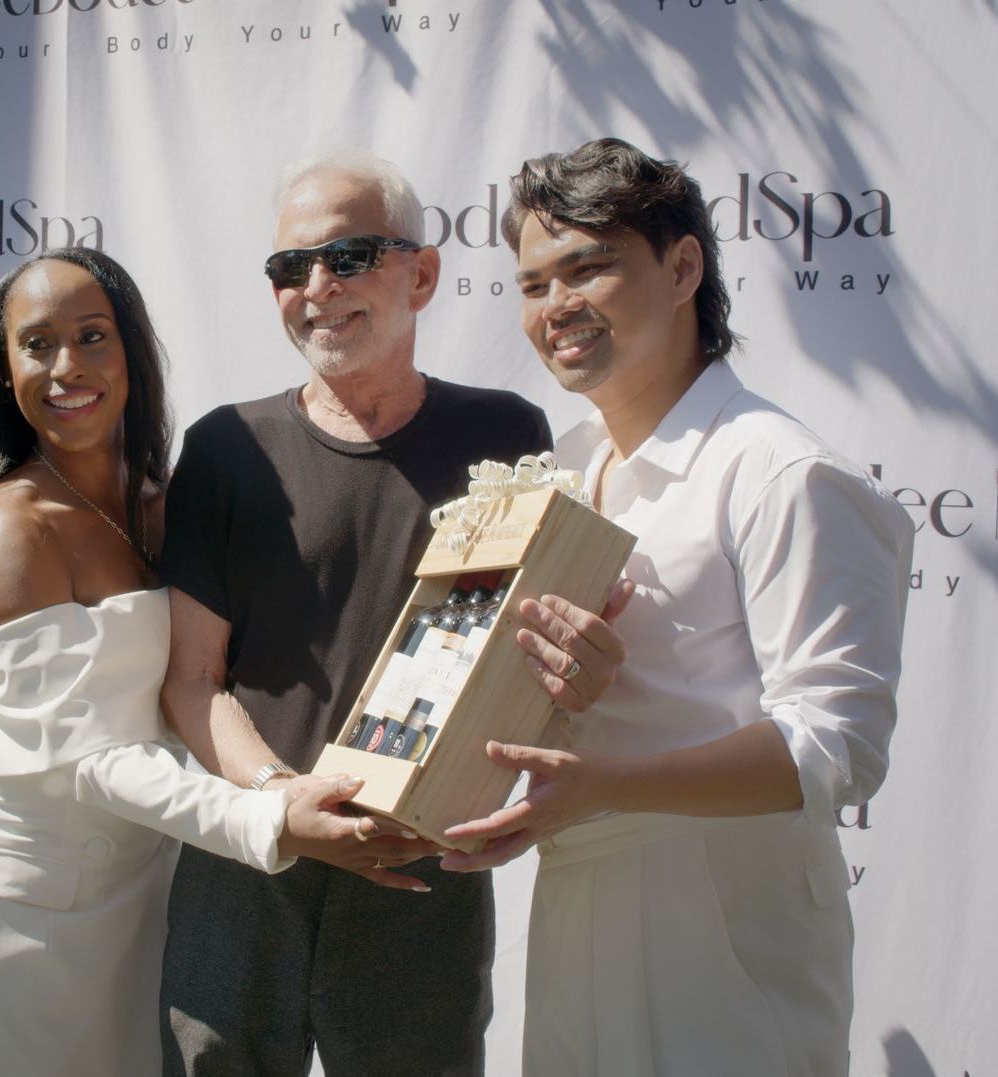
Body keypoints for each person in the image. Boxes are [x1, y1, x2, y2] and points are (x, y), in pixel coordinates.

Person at [442, 137, 915, 1076]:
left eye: (589, 268)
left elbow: (839, 744)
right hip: (579, 905)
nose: (556, 307)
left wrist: (609, 785)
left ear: (683, 266)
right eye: (534, 283)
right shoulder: (563, 468)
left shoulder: (783, 472)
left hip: (728, 943)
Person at [156, 152, 629, 1076]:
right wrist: (279, 799)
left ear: (421, 273)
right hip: (247, 862)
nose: (317, 288)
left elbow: (533, 666)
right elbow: (190, 677)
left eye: (350, 255)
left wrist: (579, 675)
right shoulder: (223, 447)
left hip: (420, 878)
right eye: (290, 269)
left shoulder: (509, 437)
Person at [0, 247, 378, 1077]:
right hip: (15, 901)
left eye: (92, 336)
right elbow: (94, 758)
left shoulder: (159, 501)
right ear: (4, 364)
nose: (67, 368)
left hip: (142, 880)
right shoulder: (8, 529)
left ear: (130, 351)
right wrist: (273, 819)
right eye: (37, 344)